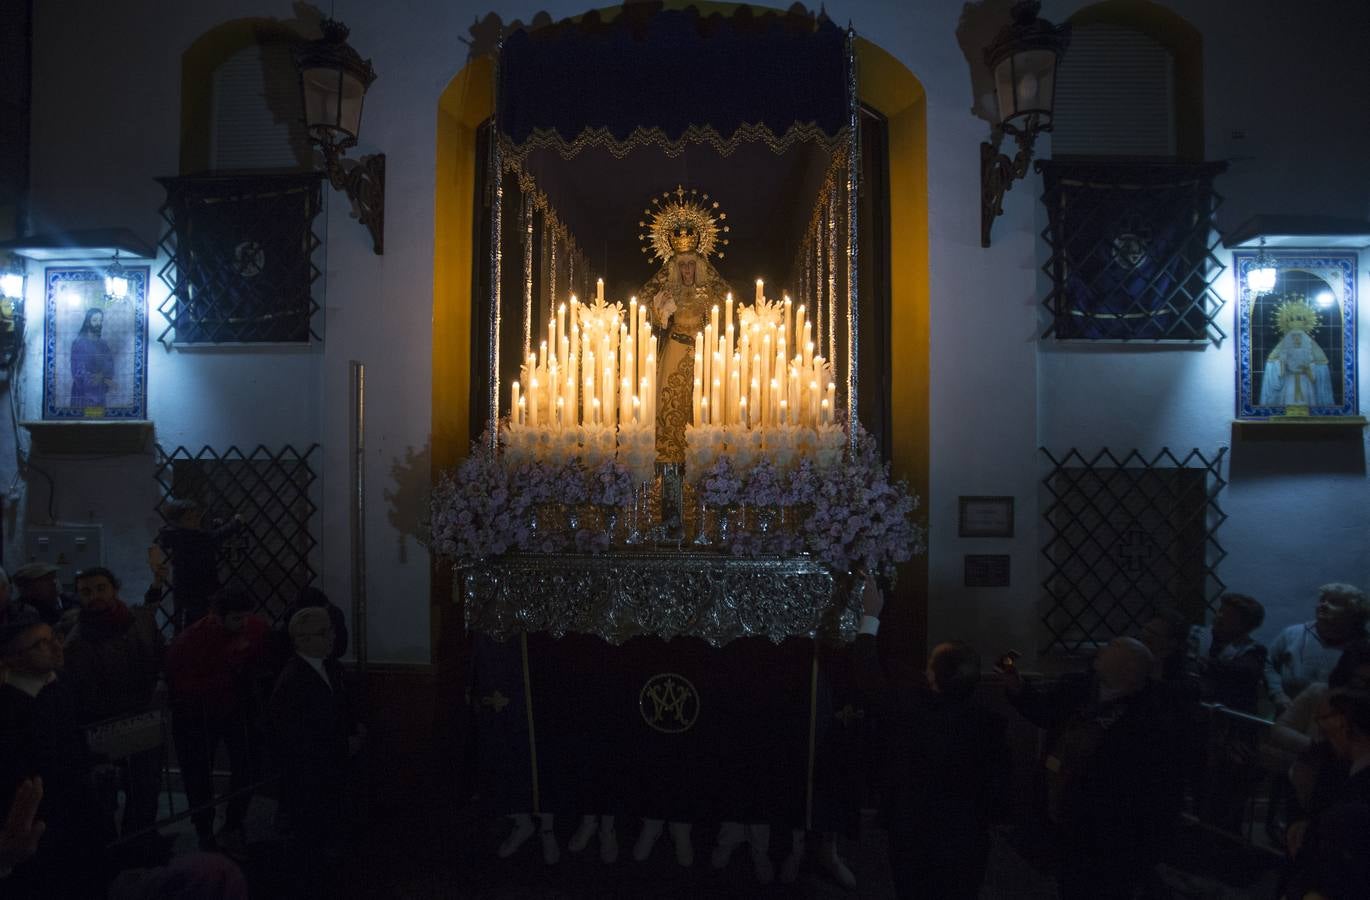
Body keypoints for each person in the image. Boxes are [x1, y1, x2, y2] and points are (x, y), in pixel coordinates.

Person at [855, 570, 1007, 899]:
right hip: (967, 839)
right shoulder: (990, 724)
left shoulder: (911, 714)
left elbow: (869, 679)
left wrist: (870, 617)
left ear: (933, 678)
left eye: (929, 665)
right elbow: (998, 790)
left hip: (914, 835)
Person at [1006, 637, 1178, 899]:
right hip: (1064, 816)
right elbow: (1047, 713)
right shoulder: (1080, 688)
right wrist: (1018, 690)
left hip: (1109, 831)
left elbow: (1156, 788)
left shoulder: (1151, 718)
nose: (1099, 652)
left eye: (1109, 651)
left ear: (1128, 670)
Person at [0, 620, 105, 896]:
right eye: (40, 644)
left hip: (77, 811)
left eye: (54, 638)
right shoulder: (10, 708)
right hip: (40, 824)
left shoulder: (58, 685)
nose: (56, 646)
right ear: (14, 658)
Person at [61, 566, 165, 841]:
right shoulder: (77, 643)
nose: (94, 596)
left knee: (145, 790)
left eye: (100, 588)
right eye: (86, 591)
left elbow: (158, 655)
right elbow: (80, 692)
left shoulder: (141, 622)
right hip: (102, 726)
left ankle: (140, 842)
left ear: (114, 589)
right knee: (103, 796)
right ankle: (110, 851)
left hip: (141, 720)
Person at [267, 607, 363, 896]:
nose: (332, 637)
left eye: (331, 631)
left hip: (331, 770)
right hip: (309, 777)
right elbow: (297, 738)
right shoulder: (293, 681)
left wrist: (354, 728)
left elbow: (340, 707)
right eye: (325, 633)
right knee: (309, 843)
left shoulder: (330, 667)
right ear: (302, 639)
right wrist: (344, 745)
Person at [165, 584, 268, 852]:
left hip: (234, 710)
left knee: (246, 766)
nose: (243, 623)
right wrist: (229, 676)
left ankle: (234, 823)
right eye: (237, 618)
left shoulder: (252, 627)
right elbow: (182, 686)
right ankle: (204, 830)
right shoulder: (190, 642)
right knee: (198, 774)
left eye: (246, 616)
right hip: (196, 715)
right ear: (216, 616)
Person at [640, 187, 734, 464]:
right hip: (676, 349)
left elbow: (723, 318)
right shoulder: (669, 293)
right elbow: (656, 324)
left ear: (698, 266)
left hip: (702, 354)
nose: (687, 271)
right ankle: (669, 454)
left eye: (691, 266)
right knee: (670, 402)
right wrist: (660, 313)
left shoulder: (709, 294)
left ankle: (701, 454)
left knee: (702, 400)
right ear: (675, 269)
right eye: (682, 267)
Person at [1282, 689, 1370, 899]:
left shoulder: (1354, 797)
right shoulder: (1340, 769)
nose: (1321, 729)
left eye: (1324, 720)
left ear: (1344, 723)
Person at [1266, 583, 1368, 712]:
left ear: (1353, 612)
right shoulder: (1292, 634)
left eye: (1334, 602)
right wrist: (1277, 694)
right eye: (1322, 600)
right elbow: (1269, 664)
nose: (1323, 605)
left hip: (1340, 723)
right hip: (1287, 714)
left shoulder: (1363, 647)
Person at [155, 498, 246, 631]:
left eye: (196, 516)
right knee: (198, 626)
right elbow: (212, 538)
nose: (195, 520)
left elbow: (206, 540)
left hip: (190, 589)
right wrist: (236, 523)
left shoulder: (179, 535)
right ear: (177, 522)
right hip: (196, 590)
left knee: (195, 625)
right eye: (189, 518)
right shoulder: (185, 536)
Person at [1191, 593, 1268, 713]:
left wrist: (1204, 663)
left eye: (1230, 616)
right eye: (1220, 611)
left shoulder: (1253, 650)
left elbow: (1242, 672)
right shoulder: (1196, 634)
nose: (1220, 616)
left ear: (1245, 625)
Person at [1259, 301, 1335, 408]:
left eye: (1299, 336)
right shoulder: (1284, 351)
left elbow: (1316, 375)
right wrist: (1282, 364)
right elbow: (1277, 369)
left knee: (1307, 403)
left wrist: (1307, 369)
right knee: (1288, 402)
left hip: (1305, 382)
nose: (1296, 339)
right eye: (1293, 336)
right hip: (1289, 381)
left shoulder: (1310, 351)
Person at [69, 307, 115, 409]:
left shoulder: (103, 344)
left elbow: (109, 364)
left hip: (99, 391)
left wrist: (102, 375)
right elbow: (77, 370)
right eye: (94, 320)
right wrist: (94, 378)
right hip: (83, 393)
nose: (98, 323)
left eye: (100, 320)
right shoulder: (79, 343)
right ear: (87, 323)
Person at [9, 564, 73, 630]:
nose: (54, 583)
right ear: (29, 586)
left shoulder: (61, 601)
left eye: (53, 578)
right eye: (47, 579)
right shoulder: (21, 612)